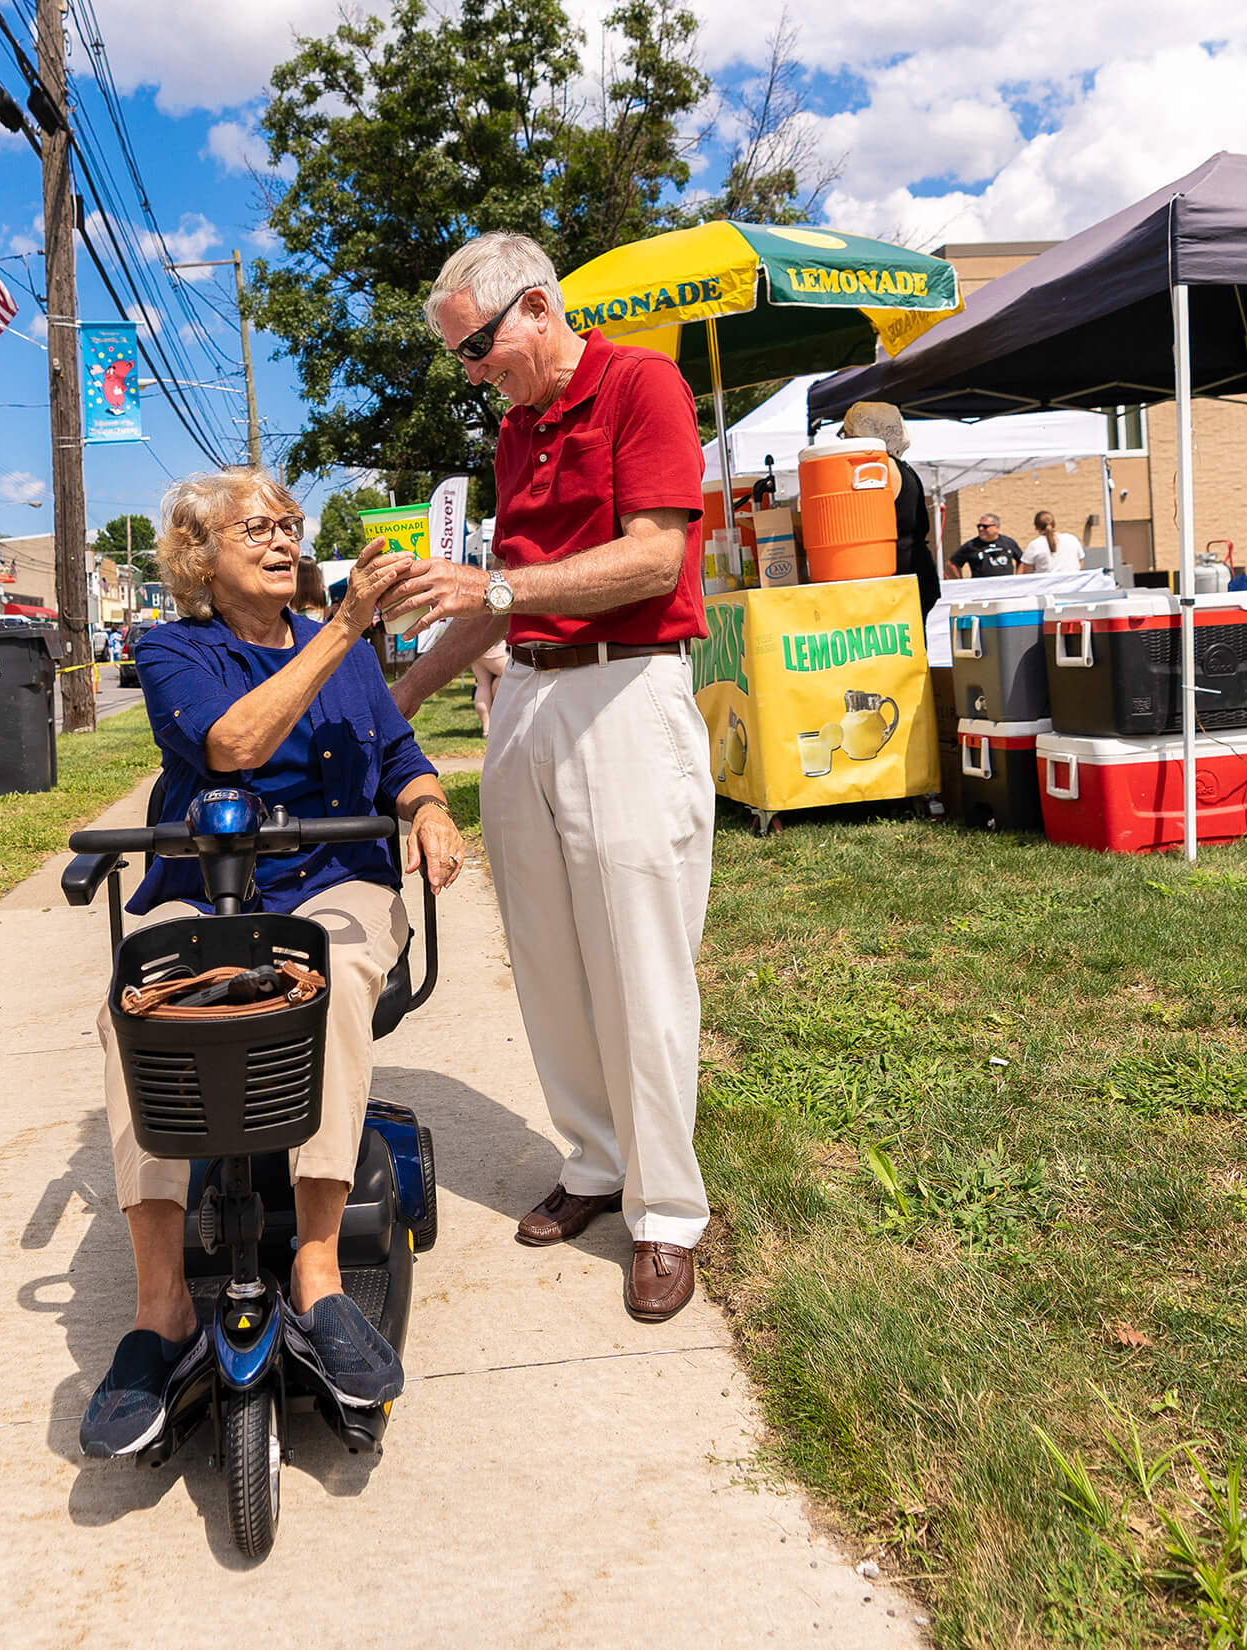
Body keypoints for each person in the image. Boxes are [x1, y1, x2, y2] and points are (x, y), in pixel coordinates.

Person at [78, 464, 466, 1458]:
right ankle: (160, 1306)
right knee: (140, 1012)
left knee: (324, 982)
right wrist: (344, 628)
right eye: (257, 527)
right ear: (201, 557)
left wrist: (425, 804)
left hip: (334, 877)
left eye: (290, 524)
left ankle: (321, 1275)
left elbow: (399, 755)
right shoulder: (176, 650)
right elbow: (232, 745)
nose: (284, 538)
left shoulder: (345, 659)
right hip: (207, 886)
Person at [382, 230, 714, 1324]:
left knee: (639, 956)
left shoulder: (641, 385)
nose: (473, 372)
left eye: (477, 347)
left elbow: (656, 556)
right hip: (527, 689)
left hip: (623, 690)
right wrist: (381, 704)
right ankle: (594, 1160)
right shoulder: (518, 433)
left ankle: (665, 1211)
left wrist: (503, 592)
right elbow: (490, 603)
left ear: (535, 307)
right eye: (461, 358)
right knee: (546, 951)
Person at [843, 401, 939, 617]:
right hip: (915, 570)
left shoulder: (874, 469)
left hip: (897, 577)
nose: (845, 440)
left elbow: (858, 526)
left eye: (847, 433)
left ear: (863, 432)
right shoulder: (903, 466)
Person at [949, 513, 1022, 580]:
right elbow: (952, 563)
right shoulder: (971, 545)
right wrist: (961, 581)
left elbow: (1022, 561)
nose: (981, 529)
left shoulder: (1008, 542)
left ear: (996, 527)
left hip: (1006, 587)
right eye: (979, 526)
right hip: (981, 589)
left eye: (985, 526)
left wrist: (1017, 578)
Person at [291, 554, 328, 619]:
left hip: (297, 627)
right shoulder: (324, 592)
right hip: (318, 627)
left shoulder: (291, 592)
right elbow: (326, 615)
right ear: (315, 572)